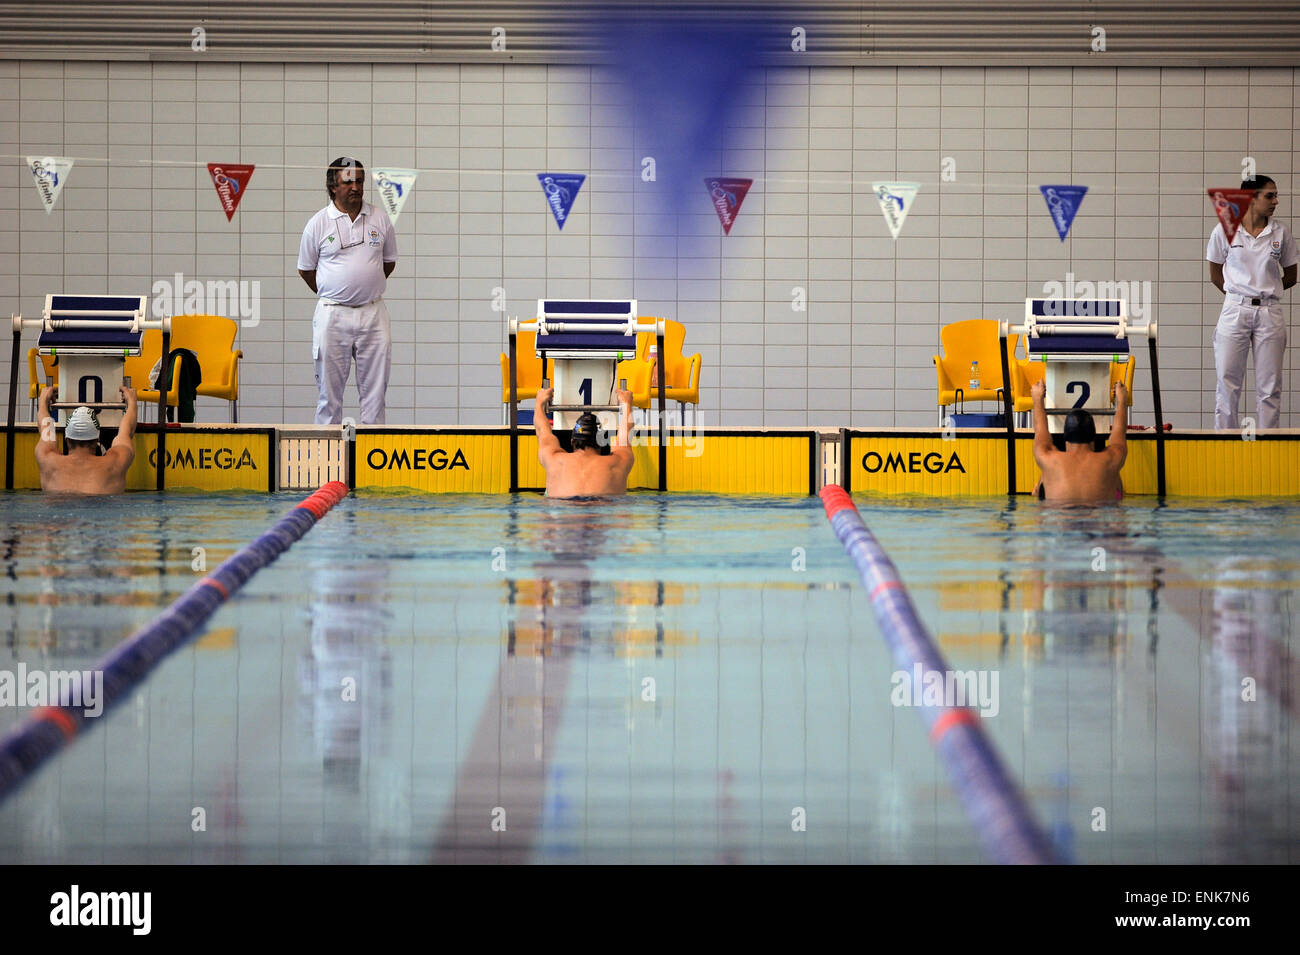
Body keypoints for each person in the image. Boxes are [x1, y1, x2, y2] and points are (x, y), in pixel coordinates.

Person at [297, 157, 398, 425]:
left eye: (360, 181)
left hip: (373, 313)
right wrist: (338, 293)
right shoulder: (318, 223)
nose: (356, 187)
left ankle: (371, 463)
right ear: (333, 186)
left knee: (375, 396)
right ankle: (326, 464)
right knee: (329, 397)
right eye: (348, 181)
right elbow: (306, 270)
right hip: (333, 314)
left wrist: (363, 288)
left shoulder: (380, 217)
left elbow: (388, 263)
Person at [1206, 175, 1298, 430]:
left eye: (1276, 195)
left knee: (1270, 387)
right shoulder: (1224, 230)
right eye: (1269, 196)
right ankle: (1224, 444)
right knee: (1227, 383)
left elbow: (1291, 276)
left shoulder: (1280, 232)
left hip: (1270, 312)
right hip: (1235, 310)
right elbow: (1215, 274)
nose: (1275, 201)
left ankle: (1267, 445)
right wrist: (1240, 296)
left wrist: (1265, 291)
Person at [1031, 378, 1127, 503]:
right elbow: (1119, 431)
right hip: (1099, 516)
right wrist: (1121, 399)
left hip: (1059, 517)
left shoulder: (1048, 458)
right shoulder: (1110, 458)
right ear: (1094, 437)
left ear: (1065, 439)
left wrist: (1037, 399)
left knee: (1040, 486)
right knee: (1117, 483)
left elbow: (1040, 429)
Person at [534, 386, 635, 497]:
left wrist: (539, 403)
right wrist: (626, 404)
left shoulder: (553, 459)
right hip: (604, 510)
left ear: (572, 441)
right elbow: (626, 434)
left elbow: (542, 431)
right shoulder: (618, 462)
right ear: (601, 441)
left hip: (563, 510)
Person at [34, 386, 137, 494]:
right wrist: (132, 402)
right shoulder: (116, 462)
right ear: (97, 438)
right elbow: (127, 430)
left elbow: (45, 426)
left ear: (67, 438)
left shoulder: (47, 459)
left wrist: (43, 401)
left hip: (62, 505)